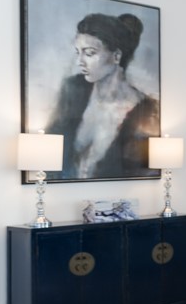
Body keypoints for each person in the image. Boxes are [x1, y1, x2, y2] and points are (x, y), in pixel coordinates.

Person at [45, 12, 159, 179]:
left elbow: (141, 170)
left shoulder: (146, 110)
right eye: (78, 52)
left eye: (89, 53)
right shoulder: (73, 90)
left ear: (116, 56)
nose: (79, 61)